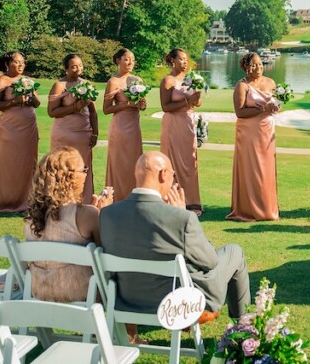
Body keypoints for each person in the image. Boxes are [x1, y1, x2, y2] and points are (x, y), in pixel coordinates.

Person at [99, 152, 250, 324]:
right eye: (172, 175)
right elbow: (210, 261)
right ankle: (244, 326)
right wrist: (183, 213)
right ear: (163, 174)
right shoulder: (181, 219)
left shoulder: (107, 214)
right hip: (176, 305)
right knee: (234, 252)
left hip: (126, 301)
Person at [24, 147, 114, 302]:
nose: (86, 173)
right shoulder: (87, 215)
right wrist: (104, 214)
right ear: (71, 177)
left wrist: (93, 210)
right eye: (83, 169)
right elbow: (105, 257)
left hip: (40, 292)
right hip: (83, 293)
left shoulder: (31, 217)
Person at [227, 51, 281, 222]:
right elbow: (239, 112)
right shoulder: (242, 86)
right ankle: (247, 209)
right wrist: (262, 109)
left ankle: (266, 208)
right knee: (251, 168)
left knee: (266, 169)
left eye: (260, 64)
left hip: (267, 131)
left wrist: (276, 108)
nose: (258, 67)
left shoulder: (271, 82)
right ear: (246, 67)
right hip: (248, 133)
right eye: (254, 65)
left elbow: (278, 104)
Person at [0, 51, 41, 213]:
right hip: (10, 128)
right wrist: (14, 101)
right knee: (8, 162)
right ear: (7, 64)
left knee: (27, 163)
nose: (21, 65)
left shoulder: (27, 81)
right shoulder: (1, 81)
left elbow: (37, 103)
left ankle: (26, 200)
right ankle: (4, 201)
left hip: (29, 127)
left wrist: (31, 99)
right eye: (17, 62)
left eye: (22, 62)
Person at [48, 55, 99, 204]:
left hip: (84, 134)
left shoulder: (86, 84)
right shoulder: (59, 85)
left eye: (80, 65)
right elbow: (52, 112)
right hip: (64, 133)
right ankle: (60, 201)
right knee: (61, 167)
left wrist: (95, 132)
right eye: (74, 66)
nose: (78, 69)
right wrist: (73, 107)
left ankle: (83, 200)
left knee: (82, 168)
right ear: (66, 68)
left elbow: (93, 112)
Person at [159, 48, 204, 216]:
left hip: (188, 123)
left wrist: (196, 98)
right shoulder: (168, 81)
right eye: (181, 59)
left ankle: (191, 201)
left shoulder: (191, 79)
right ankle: (171, 199)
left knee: (189, 163)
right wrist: (187, 101)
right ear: (173, 61)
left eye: (186, 60)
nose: (185, 63)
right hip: (173, 124)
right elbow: (165, 107)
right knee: (173, 161)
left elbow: (197, 103)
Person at [103, 48, 146, 201]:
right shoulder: (113, 82)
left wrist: (141, 104)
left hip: (134, 128)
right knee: (119, 163)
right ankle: (117, 198)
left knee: (135, 163)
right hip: (120, 127)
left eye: (132, 60)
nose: (130, 62)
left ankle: (133, 198)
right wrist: (127, 104)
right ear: (118, 60)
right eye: (126, 59)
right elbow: (106, 109)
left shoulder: (137, 81)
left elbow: (142, 106)